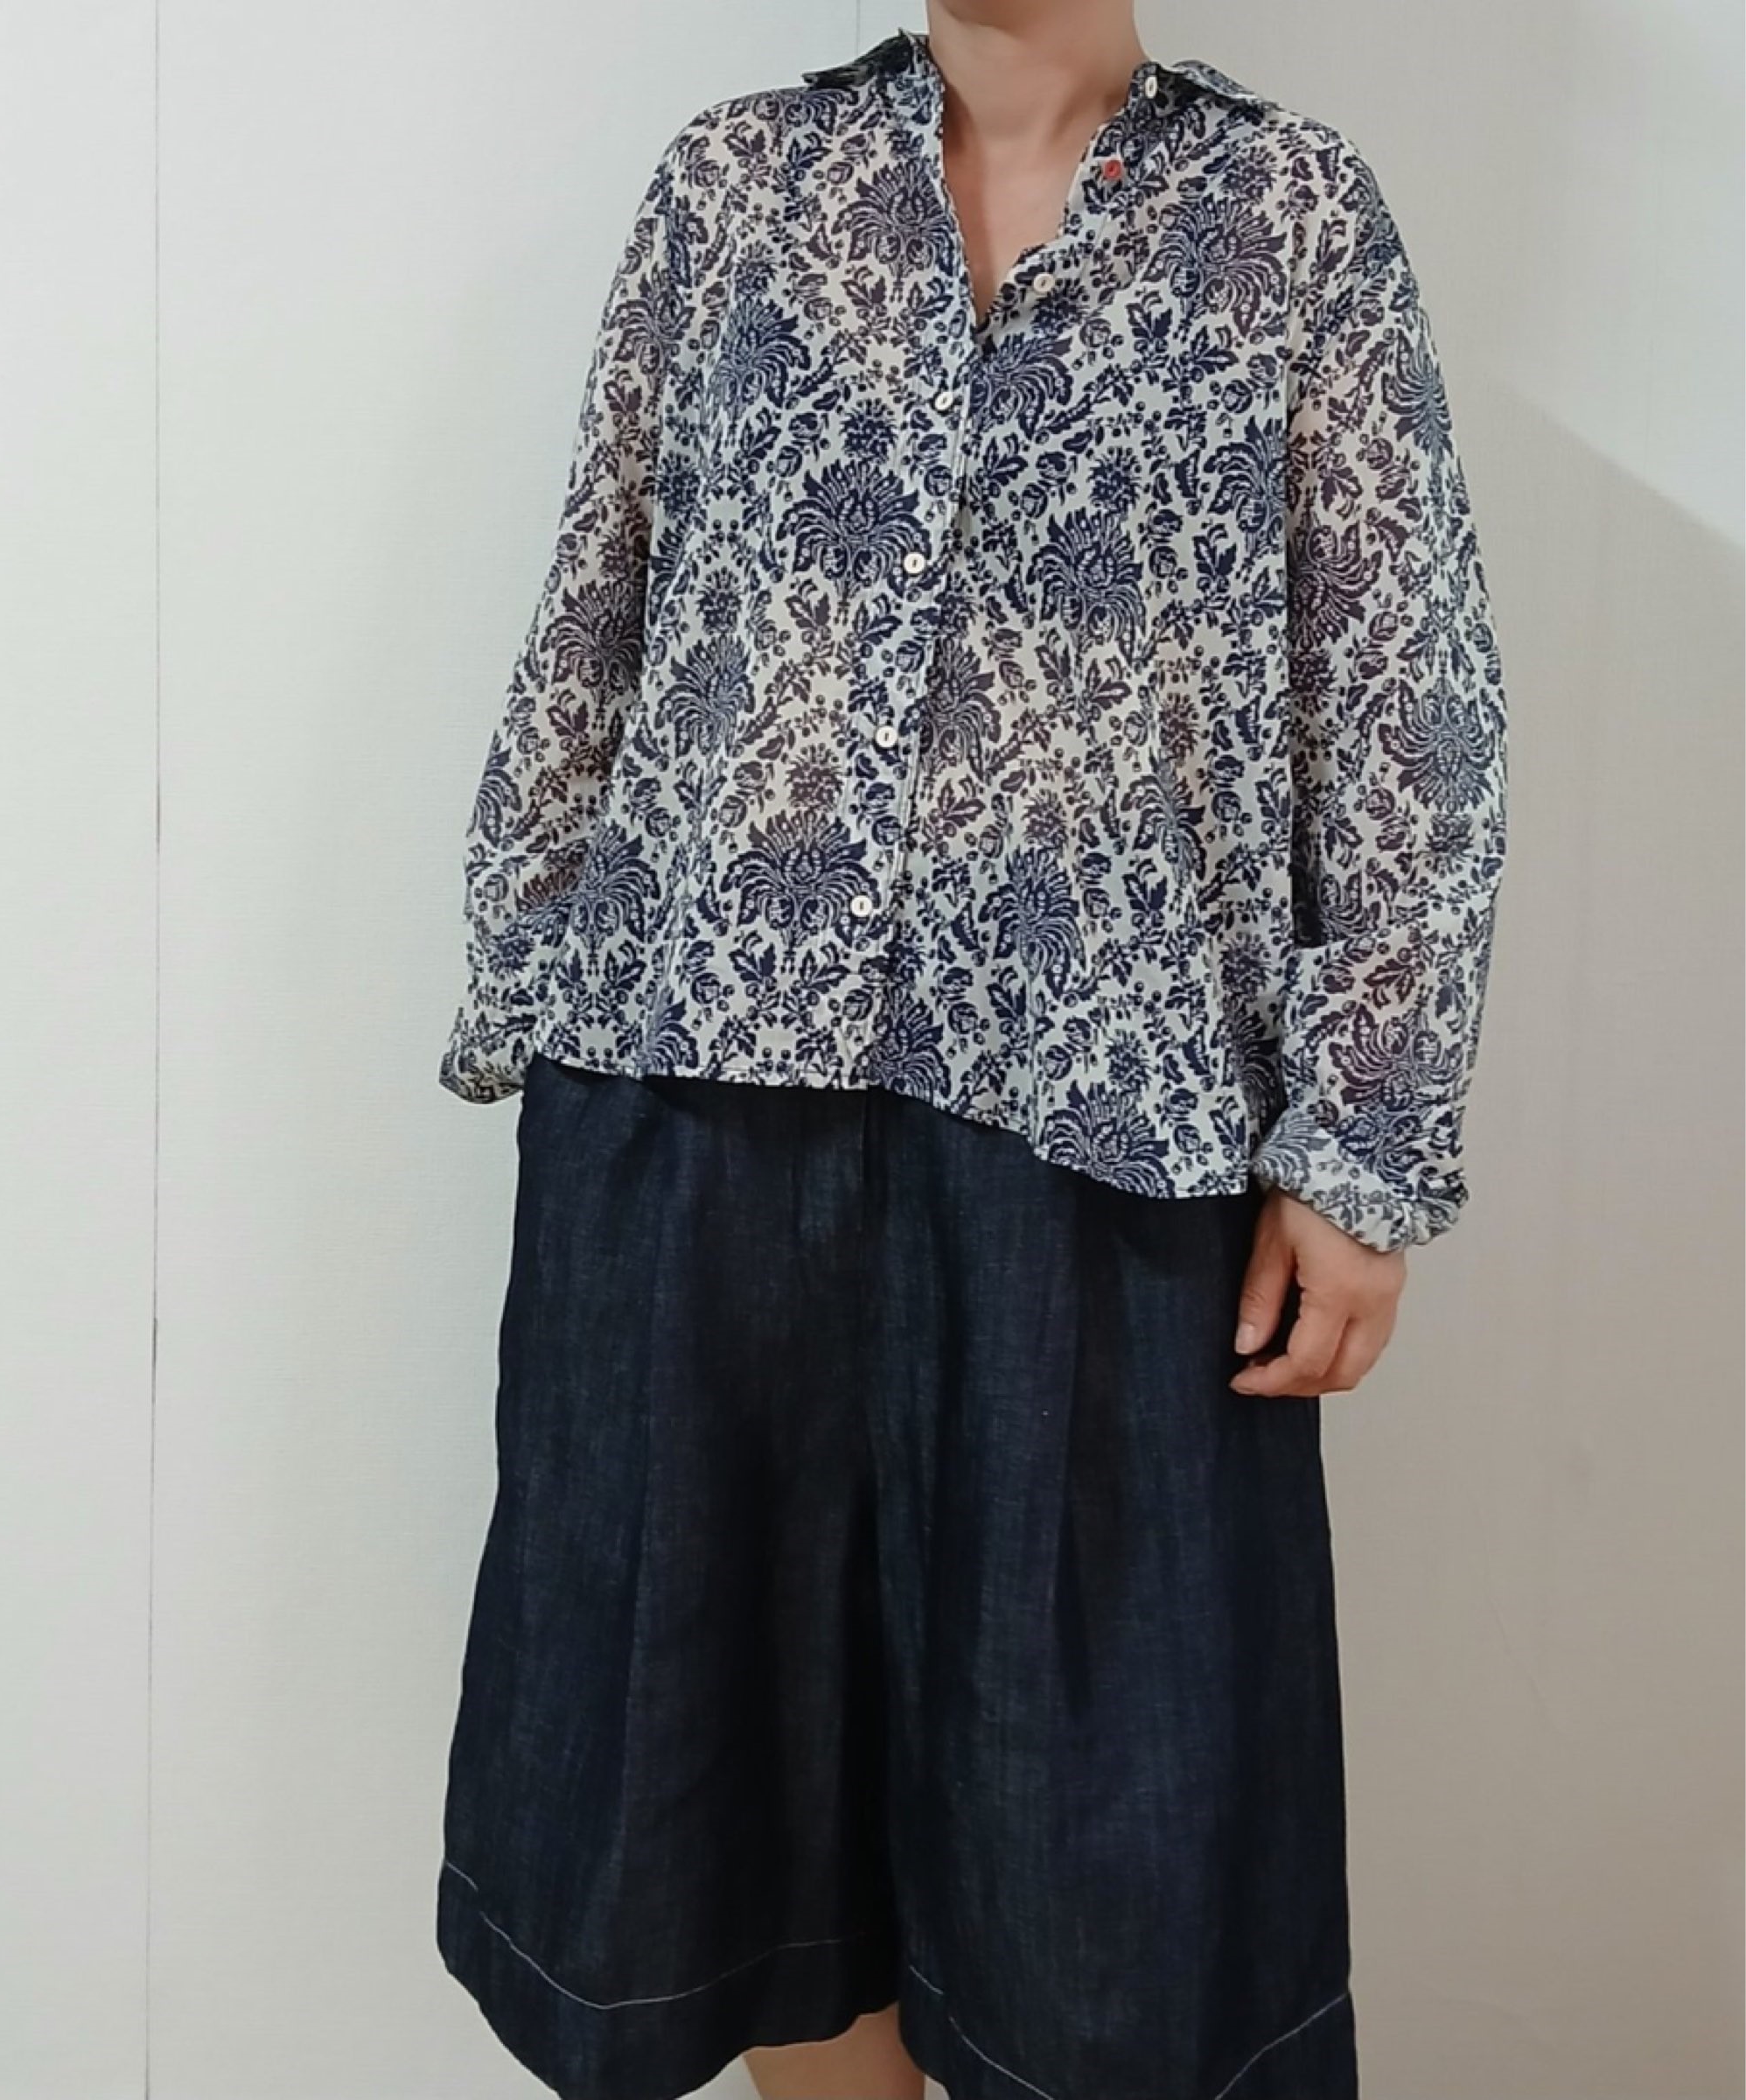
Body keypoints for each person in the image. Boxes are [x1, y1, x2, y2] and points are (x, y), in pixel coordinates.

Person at [433, 4, 1509, 2096]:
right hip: (699, 1108)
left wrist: (1366, 1143)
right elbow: (598, 604)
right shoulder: (735, 183)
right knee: (746, 1818)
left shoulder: (1288, 216)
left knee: (1098, 1877)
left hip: (1104, 1141)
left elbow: (1405, 695)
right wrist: (534, 980)